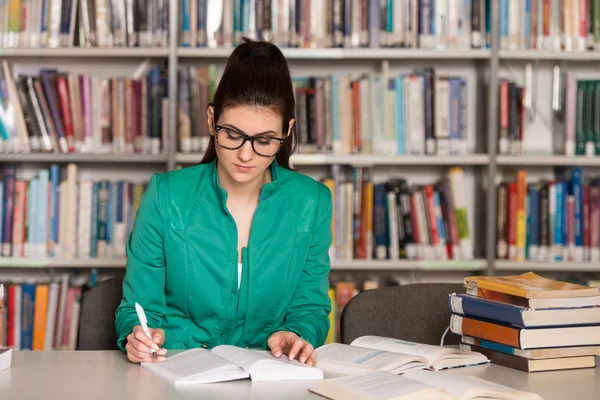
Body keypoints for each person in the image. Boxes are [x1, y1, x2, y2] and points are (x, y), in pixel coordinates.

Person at [114, 37, 333, 368]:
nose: (246, 154)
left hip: (267, 375)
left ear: (286, 132)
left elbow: (311, 307)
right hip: (176, 371)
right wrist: (138, 336)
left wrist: (296, 331)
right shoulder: (165, 195)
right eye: (232, 134)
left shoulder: (312, 202)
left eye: (264, 140)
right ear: (211, 120)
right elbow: (137, 307)